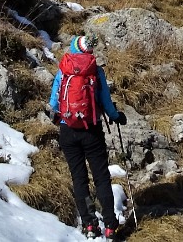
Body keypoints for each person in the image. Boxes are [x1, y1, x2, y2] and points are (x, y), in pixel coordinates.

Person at [49, 33, 126, 239]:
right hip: (91, 130)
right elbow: (106, 102)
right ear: (89, 51)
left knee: (79, 178)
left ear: (73, 48)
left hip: (67, 130)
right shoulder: (95, 70)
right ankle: (110, 225)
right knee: (101, 177)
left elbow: (54, 102)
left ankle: (90, 225)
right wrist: (116, 116)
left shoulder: (63, 69)